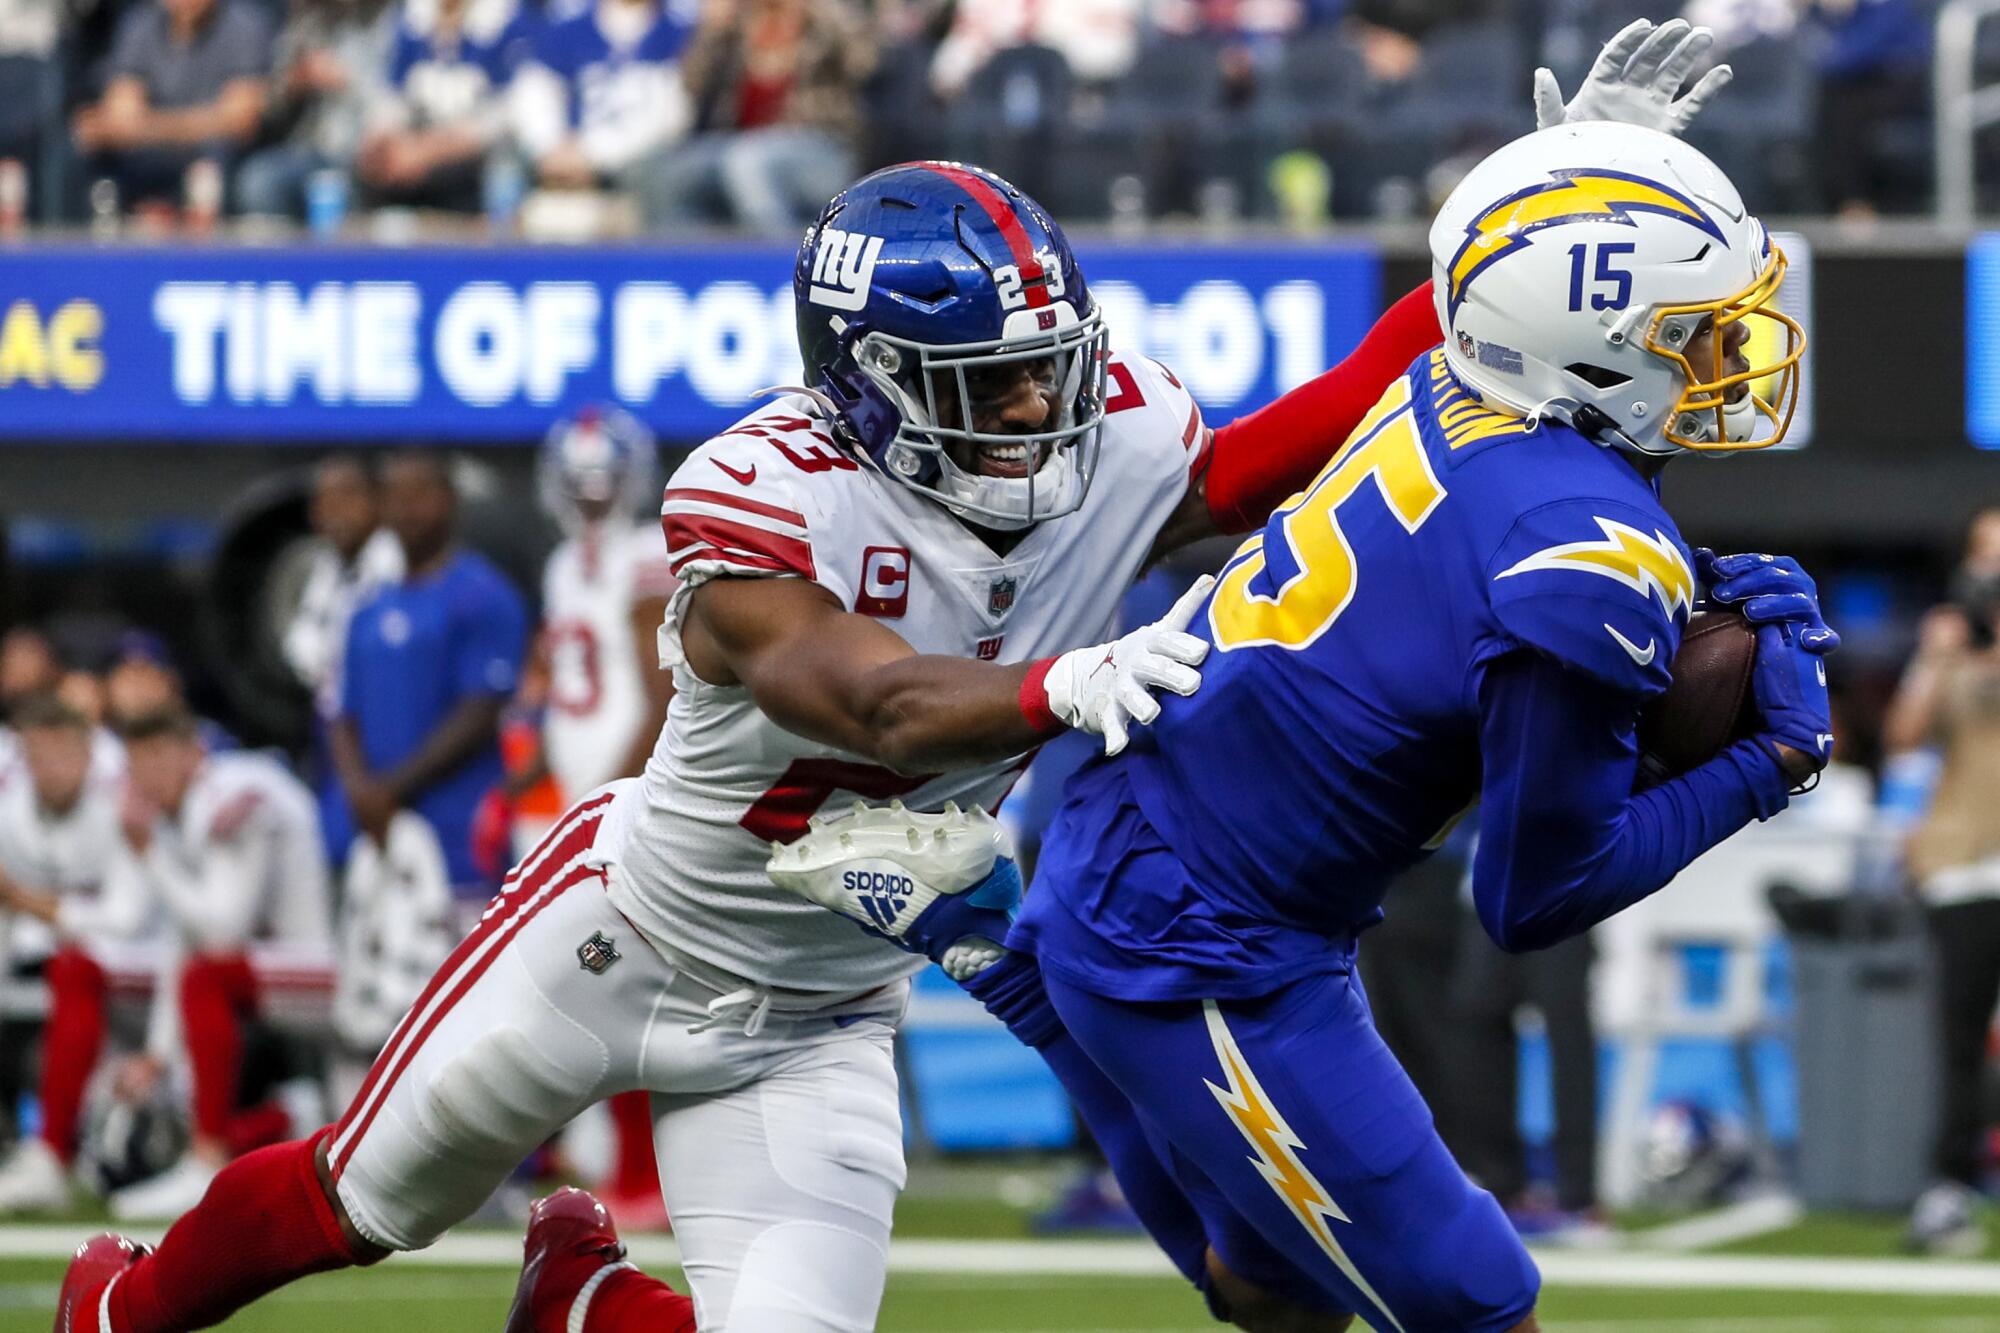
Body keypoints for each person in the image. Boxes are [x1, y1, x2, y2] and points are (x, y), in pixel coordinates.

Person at [53, 20, 1727, 1333]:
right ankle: (119, 1301)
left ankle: (577, 1299)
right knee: (370, 1194)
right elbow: (868, 701)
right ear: (870, 388)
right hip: (628, 925)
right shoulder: (756, 496)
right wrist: (1063, 684)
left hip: (824, 1003)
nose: (1042, 416)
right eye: (991, 388)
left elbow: (1288, 448)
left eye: (1047, 372)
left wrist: (1543, 212)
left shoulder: (1105, 424)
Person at [792, 116, 1832, 1333]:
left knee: (1275, 1295)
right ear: (1586, 343)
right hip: (1206, 931)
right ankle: (1029, 972)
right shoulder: (1579, 554)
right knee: (1478, 1303)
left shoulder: (1452, 376)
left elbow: (1480, 572)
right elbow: (1535, 894)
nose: (1729, 354)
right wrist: (1769, 763)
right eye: (1692, 334)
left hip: (1154, 834)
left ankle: (1010, 959)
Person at [76, 707, 334, 1221]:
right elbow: (187, 934)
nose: (146, 775)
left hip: (319, 967)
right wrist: (157, 1052)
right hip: (267, 965)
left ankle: (207, 1154)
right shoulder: (188, 808)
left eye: (157, 757)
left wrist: (150, 854)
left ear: (194, 754)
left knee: (207, 976)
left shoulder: (230, 798)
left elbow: (220, 933)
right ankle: (283, 1118)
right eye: (136, 762)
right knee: (191, 978)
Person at [529, 407, 675, 1228]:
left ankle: (643, 1175)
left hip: (625, 795)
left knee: (624, 980)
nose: (591, 502)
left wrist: (611, 791)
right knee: (588, 981)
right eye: (580, 487)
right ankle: (603, 1164)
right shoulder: (562, 566)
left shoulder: (645, 554)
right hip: (581, 791)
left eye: (603, 486)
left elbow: (662, 693)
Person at [332, 451, 528, 911]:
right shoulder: (366, 608)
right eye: (395, 497)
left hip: (459, 831)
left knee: (468, 968)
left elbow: (480, 711)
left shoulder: (484, 595)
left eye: (420, 495)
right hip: (376, 833)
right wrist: (361, 791)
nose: (408, 510)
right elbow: (342, 713)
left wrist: (389, 789)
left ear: (449, 500)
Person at [1888, 505, 2000, 1256]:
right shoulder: (1954, 645)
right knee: (1958, 1039)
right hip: (1964, 862)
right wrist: (1936, 656)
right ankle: (1947, 1190)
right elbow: (1902, 739)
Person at [0, 695, 129, 1213]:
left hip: (122, 974)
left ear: (86, 758)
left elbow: (124, 919)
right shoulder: (10, 821)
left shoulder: (118, 817)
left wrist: (27, 901)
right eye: (38, 756)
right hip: (28, 971)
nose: (49, 770)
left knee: (75, 968)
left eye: (61, 755)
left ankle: (51, 1152)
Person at [642, 0, 875, 234]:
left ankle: (780, 262)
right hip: (738, 145)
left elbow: (868, 61)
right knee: (672, 171)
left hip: (822, 150)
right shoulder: (738, 25)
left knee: (748, 162)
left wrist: (819, 12)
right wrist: (712, 29)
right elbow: (691, 82)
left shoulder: (820, 20)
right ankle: (690, 265)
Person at [282, 455, 406, 866]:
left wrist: (335, 660)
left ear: (376, 502)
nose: (332, 513)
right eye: (324, 502)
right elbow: (300, 648)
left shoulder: (396, 561)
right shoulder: (329, 566)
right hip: (333, 734)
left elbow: (355, 657)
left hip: (382, 733)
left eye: (346, 498)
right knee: (333, 852)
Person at [71, 0, 274, 214]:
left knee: (220, 164)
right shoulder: (140, 24)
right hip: (149, 157)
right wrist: (202, 122)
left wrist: (145, 126)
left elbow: (240, 121)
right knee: (83, 150)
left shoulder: (245, 24)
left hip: (215, 158)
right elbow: (120, 116)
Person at [506, 0, 692, 198]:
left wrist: (593, 154)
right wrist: (550, 146)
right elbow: (533, 93)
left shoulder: (679, 35)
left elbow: (670, 118)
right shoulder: (569, 31)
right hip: (560, 164)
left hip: (633, 175)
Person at [357, 0, 529, 211]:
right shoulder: (411, 18)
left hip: (472, 157)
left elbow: (502, 116)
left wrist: (426, 152)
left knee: (485, 173)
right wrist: (383, 140)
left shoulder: (506, 20)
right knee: (372, 166)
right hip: (410, 147)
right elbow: (391, 96)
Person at [234, 0, 398, 219]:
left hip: (359, 154)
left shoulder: (387, 21)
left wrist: (347, 82)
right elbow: (270, 103)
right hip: (304, 150)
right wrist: (295, 81)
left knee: (343, 194)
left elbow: (395, 97)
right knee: (258, 180)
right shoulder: (309, 21)